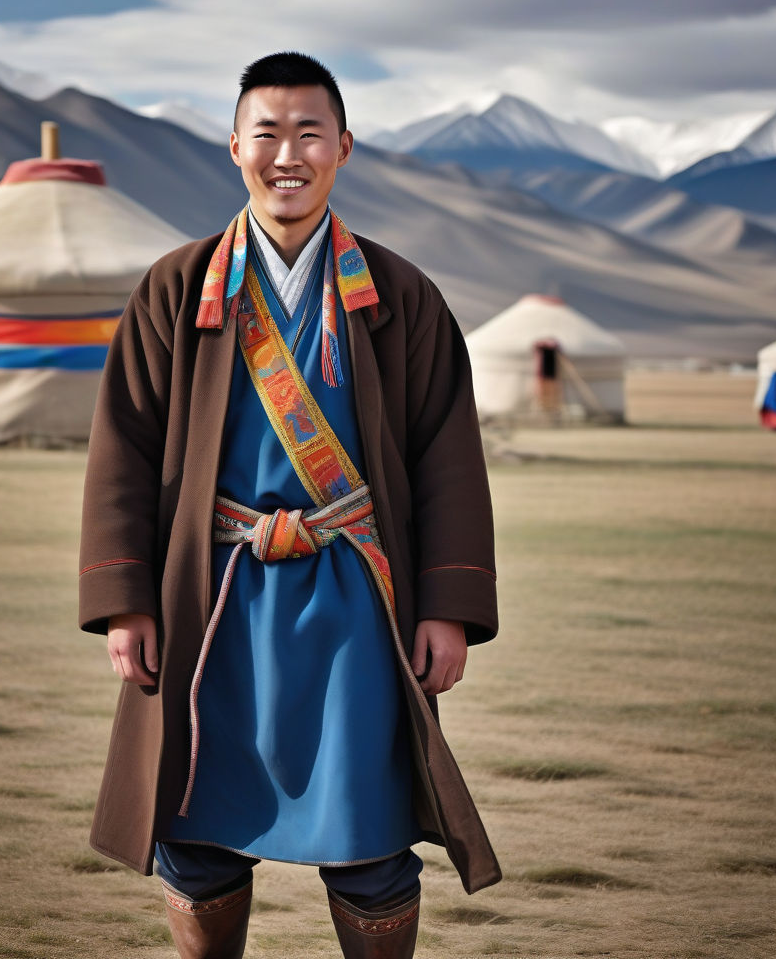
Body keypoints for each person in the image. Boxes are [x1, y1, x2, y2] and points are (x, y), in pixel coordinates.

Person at [78, 51, 500, 959]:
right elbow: (125, 451)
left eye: (310, 132)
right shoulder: (175, 289)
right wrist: (126, 601)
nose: (288, 153)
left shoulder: (402, 298)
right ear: (234, 147)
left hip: (357, 602)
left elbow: (447, 460)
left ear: (344, 146)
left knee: (371, 841)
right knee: (196, 836)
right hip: (213, 596)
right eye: (267, 132)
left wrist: (450, 612)